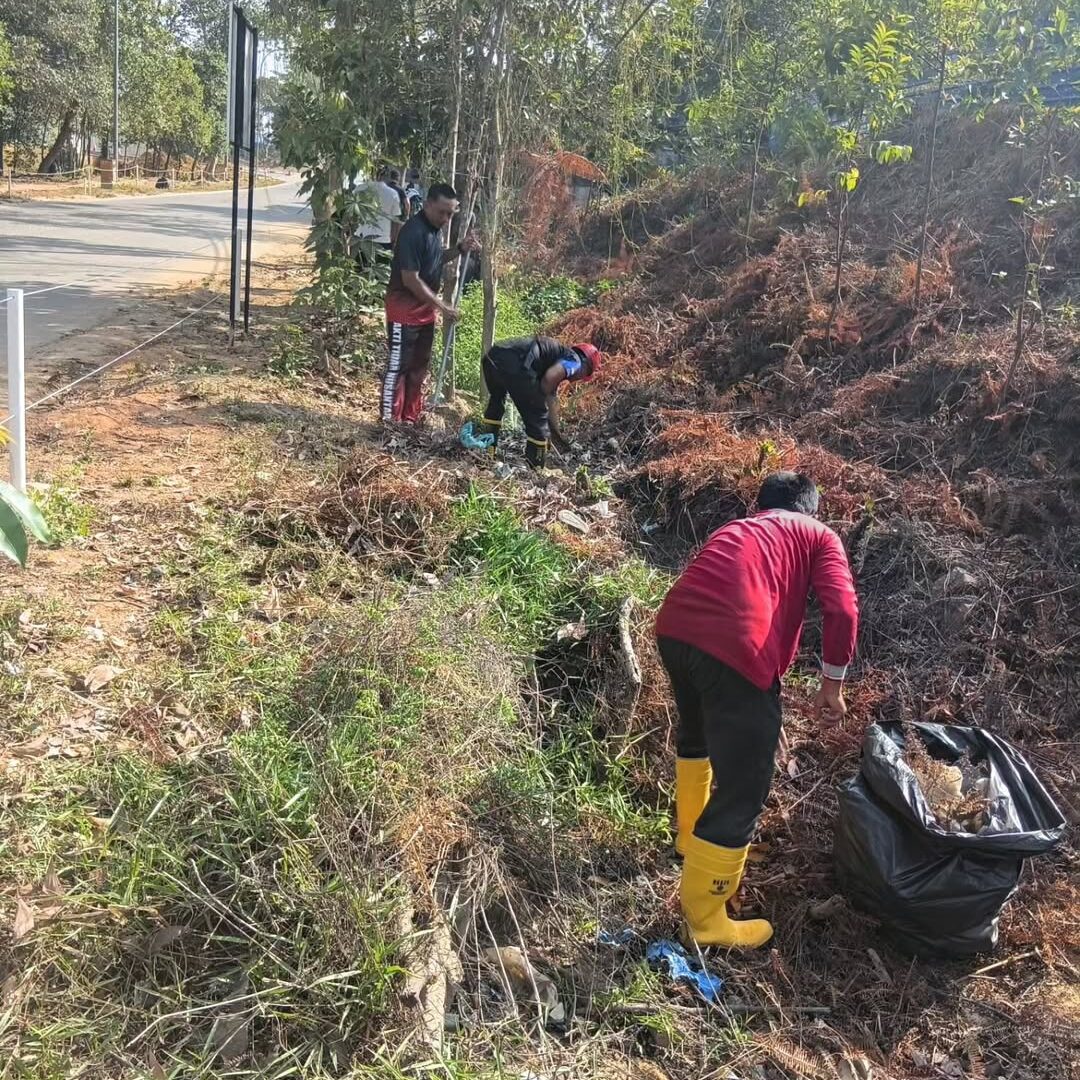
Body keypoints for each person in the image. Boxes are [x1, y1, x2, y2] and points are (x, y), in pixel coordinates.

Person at [654, 472, 859, 949]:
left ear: (762, 504)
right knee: (746, 784)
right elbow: (843, 610)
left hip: (674, 628)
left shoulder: (740, 527)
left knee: (696, 736)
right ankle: (705, 920)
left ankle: (691, 839)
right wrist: (832, 685)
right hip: (734, 647)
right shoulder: (818, 534)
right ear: (811, 509)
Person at [382, 182, 479, 424]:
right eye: (442, 212)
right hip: (403, 311)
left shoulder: (434, 231)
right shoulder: (412, 232)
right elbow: (410, 279)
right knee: (399, 367)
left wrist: (459, 249)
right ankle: (389, 421)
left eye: (450, 214)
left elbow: (435, 259)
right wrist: (442, 306)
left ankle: (410, 419)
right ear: (427, 205)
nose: (446, 219)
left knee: (419, 368)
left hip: (425, 313)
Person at [473, 337, 601, 468]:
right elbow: (548, 380)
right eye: (584, 375)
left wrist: (555, 432)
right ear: (586, 366)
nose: (577, 379)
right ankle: (536, 468)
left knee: (496, 404)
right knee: (538, 421)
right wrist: (540, 410)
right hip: (517, 364)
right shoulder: (575, 361)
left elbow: (550, 399)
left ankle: (487, 455)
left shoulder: (553, 356)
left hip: (493, 356)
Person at [357, 169, 405, 265]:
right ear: (387, 178)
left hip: (361, 237)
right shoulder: (392, 194)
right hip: (384, 239)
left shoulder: (360, 189)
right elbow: (396, 221)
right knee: (382, 271)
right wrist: (395, 241)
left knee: (360, 270)